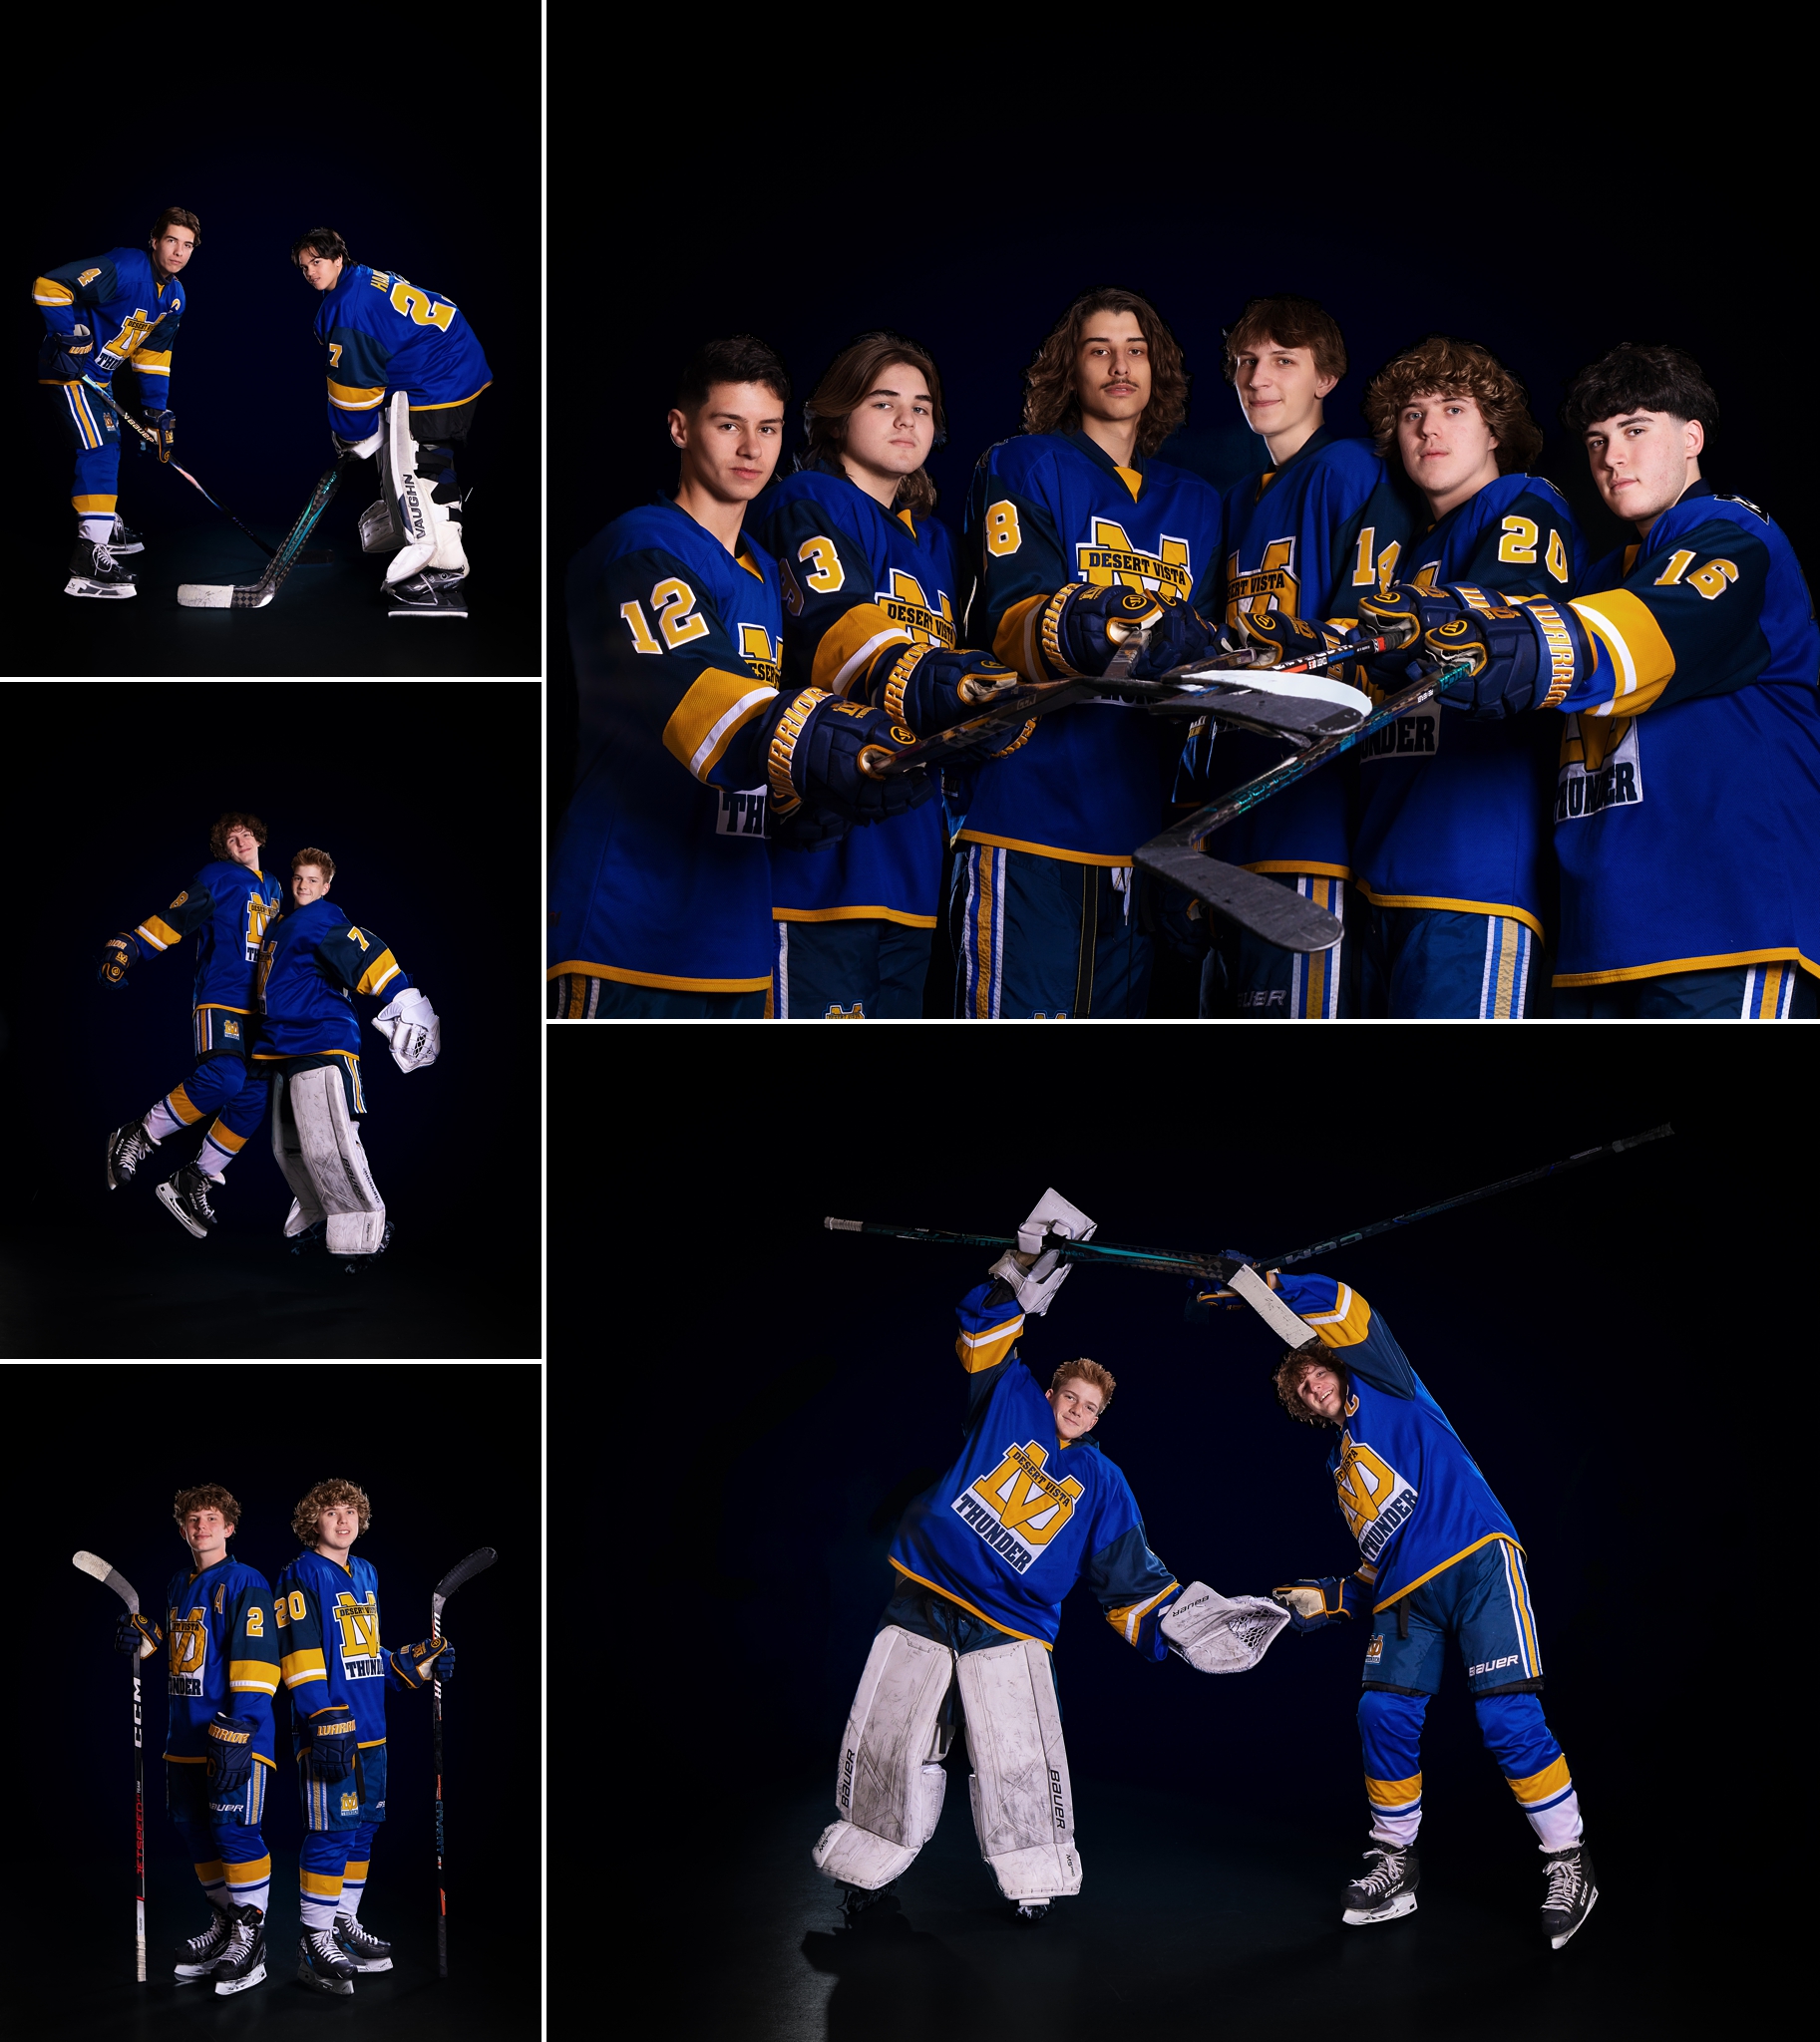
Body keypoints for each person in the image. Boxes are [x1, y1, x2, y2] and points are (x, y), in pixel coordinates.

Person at [1355, 343, 1820, 1017]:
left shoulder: (1730, 530)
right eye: (1598, 440)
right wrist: (1378, 640)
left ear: (1691, 438)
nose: (1612, 456)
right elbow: (1515, 638)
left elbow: (1645, 631)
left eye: (1635, 430)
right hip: (1599, 942)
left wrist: (1513, 645)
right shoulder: (1599, 578)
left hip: (1729, 925)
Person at [815, 1193, 1236, 1923]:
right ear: (1049, 1392)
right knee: (890, 1741)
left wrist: (1187, 1623)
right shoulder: (1006, 1398)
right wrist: (1020, 1269)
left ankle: (1033, 1884)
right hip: (925, 1597)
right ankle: (864, 1882)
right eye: (1068, 1395)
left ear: (1101, 1418)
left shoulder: (1104, 1482)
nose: (1076, 1409)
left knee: (1016, 1757)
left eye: (1089, 1406)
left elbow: (1128, 1576)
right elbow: (981, 1325)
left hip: (1011, 1627)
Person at [1195, 1263, 1597, 1948]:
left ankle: (1568, 1862)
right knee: (1380, 1711)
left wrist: (1269, 1288)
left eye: (1315, 1372)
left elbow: (1353, 1311)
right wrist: (1318, 1601)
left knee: (1506, 1718)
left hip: (1475, 1560)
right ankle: (1395, 1862)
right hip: (1408, 1596)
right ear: (1297, 1404)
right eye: (1299, 1386)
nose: (1312, 1385)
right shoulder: (1337, 1471)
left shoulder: (1387, 1385)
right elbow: (1374, 1567)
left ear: (1333, 1367)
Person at [549, 334, 931, 1018]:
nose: (750, 450)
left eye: (767, 429)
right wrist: (821, 741)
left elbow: (778, 745)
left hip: (740, 940)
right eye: (728, 425)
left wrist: (814, 799)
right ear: (679, 427)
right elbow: (695, 691)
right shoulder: (639, 546)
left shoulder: (766, 570)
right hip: (626, 927)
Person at [958, 289, 1224, 1017]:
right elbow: (1010, 613)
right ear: (1065, 369)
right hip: (1027, 813)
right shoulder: (1022, 463)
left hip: (1139, 829)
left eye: (1136, 349)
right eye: (1098, 349)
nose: (1119, 365)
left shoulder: (1198, 502)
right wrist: (1118, 627)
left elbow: (1203, 665)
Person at [757, 331, 1017, 1016]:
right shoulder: (807, 499)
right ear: (837, 414)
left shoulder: (937, 542)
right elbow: (832, 628)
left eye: (922, 406)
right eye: (883, 401)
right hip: (820, 860)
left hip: (912, 862)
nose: (907, 420)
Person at [1192, 296, 1421, 1019]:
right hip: (1227, 803)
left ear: (1326, 378)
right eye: (1245, 362)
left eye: (1283, 362)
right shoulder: (1234, 500)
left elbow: (1364, 636)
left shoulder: (1351, 469)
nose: (1259, 378)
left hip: (1306, 804)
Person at [1347, 337, 1584, 1018]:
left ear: (1494, 430)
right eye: (1411, 414)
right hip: (1381, 866)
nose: (1427, 427)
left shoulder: (1522, 500)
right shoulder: (1410, 551)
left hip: (1472, 871)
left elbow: (1503, 619)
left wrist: (1412, 621)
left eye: (1453, 408)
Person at [274, 1479, 456, 1995]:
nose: (343, 1519)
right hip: (331, 1729)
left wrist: (414, 1664)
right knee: (331, 1832)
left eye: (350, 1511)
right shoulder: (300, 1574)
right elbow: (301, 1656)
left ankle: (341, 1924)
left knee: (363, 1828)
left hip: (373, 1728)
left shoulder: (367, 1573)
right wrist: (321, 1718)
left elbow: (364, 1655)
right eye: (331, 1512)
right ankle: (313, 1939)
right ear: (314, 1521)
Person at [113, 1485, 280, 1994]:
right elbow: (187, 1650)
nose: (201, 1526)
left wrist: (240, 1729)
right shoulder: (178, 1584)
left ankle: (252, 1943)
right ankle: (227, 1926)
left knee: (236, 1835)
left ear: (229, 1527)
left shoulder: (246, 1581)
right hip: (182, 1738)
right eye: (192, 1519)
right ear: (183, 1529)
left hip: (231, 1736)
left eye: (211, 1518)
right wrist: (144, 1641)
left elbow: (257, 1656)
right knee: (196, 1834)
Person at [251, 849, 440, 1264]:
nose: (303, 886)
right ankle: (321, 1215)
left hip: (322, 1039)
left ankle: (366, 1226)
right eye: (298, 878)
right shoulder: (281, 926)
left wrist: (407, 1001)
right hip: (286, 1048)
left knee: (329, 1139)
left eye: (313, 880)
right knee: (292, 1147)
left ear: (327, 886)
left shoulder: (320, 918)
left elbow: (363, 954)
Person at [291, 228, 493, 617]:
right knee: (416, 457)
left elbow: (354, 384)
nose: (311, 272)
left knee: (422, 466)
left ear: (338, 259)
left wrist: (351, 436)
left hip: (441, 374)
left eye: (317, 262)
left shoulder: (349, 307)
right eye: (304, 267)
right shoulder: (360, 278)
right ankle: (438, 558)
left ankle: (445, 574)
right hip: (450, 359)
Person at [102, 813, 283, 1237]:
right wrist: (132, 945)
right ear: (224, 848)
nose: (239, 840)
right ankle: (139, 1133)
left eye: (245, 833)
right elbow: (178, 917)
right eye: (230, 837)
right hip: (221, 999)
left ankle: (194, 1178)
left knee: (255, 1098)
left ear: (258, 837)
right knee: (225, 1080)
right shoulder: (219, 875)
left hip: (261, 1011)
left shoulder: (275, 886)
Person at [34, 205, 197, 598]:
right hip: (71, 373)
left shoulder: (174, 297)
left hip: (100, 380)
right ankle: (89, 554)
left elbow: (153, 356)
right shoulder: (124, 267)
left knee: (110, 445)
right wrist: (69, 340)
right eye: (171, 240)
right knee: (100, 448)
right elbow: (48, 286)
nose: (178, 252)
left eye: (188, 245)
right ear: (154, 241)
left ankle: (103, 521)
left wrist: (157, 412)